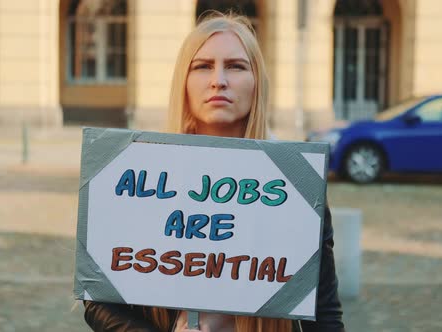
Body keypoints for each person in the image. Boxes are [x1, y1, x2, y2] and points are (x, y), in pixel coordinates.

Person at [83, 12, 345, 332]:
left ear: (257, 82)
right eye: (203, 66)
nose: (218, 80)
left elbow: (325, 311)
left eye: (235, 66)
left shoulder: (296, 183)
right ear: (184, 81)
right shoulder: (141, 172)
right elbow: (99, 300)